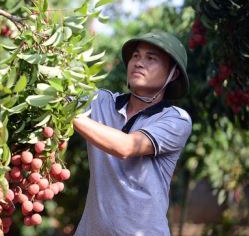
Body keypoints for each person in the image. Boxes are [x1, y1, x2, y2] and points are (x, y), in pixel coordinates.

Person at [73, 31, 192, 236]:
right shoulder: (101, 103)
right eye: (135, 56)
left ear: (173, 74)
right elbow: (59, 94)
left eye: (151, 58)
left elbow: (127, 146)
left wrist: (70, 116)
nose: (138, 62)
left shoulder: (176, 120)